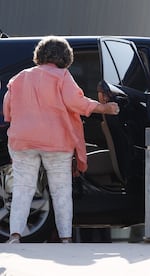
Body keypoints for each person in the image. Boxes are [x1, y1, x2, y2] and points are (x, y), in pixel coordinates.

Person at [3, 35, 119, 243]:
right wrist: (104, 108)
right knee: (61, 190)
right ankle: (65, 237)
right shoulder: (62, 76)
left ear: (39, 55)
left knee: (22, 188)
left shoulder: (19, 77)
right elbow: (76, 102)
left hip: (22, 142)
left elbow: (7, 110)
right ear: (66, 57)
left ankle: (15, 235)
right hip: (56, 143)